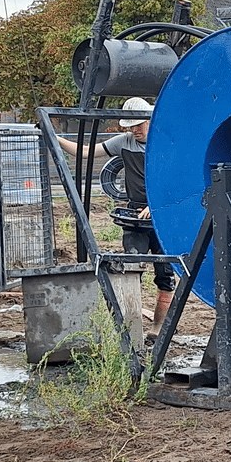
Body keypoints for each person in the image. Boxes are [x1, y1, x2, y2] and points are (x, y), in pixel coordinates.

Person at [56, 96, 174, 334]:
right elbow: (86, 152)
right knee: (131, 271)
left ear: (150, 120)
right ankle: (131, 329)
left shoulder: (167, 143)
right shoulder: (125, 142)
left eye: (138, 125)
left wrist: (158, 205)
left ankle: (159, 328)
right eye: (130, 126)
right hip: (134, 218)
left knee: (166, 277)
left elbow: (178, 181)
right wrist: (53, 136)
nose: (134, 130)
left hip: (164, 219)